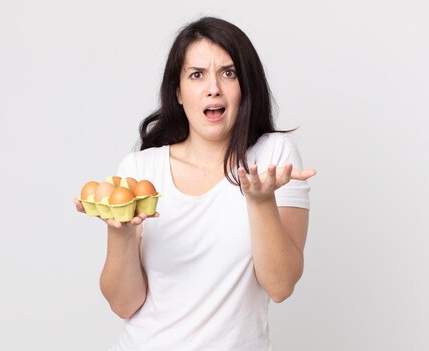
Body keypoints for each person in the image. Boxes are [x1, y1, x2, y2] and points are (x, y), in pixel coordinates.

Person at [75, 16, 316, 350]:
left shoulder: (273, 156)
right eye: (196, 74)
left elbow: (280, 286)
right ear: (178, 92)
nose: (213, 87)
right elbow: (123, 304)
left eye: (228, 73)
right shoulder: (140, 169)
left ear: (246, 86)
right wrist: (122, 232)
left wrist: (260, 202)